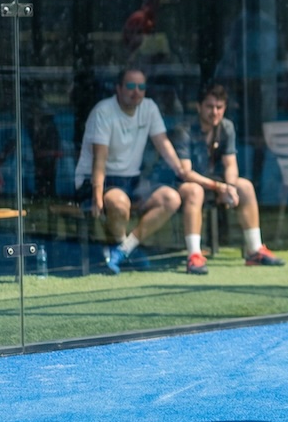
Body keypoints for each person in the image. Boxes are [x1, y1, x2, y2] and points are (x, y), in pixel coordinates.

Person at [73, 68, 198, 274]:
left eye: (141, 87)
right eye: (131, 86)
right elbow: (100, 158)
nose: (136, 92)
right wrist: (96, 195)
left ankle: (124, 250)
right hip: (95, 179)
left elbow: (163, 144)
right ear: (118, 89)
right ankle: (124, 249)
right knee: (119, 203)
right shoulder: (103, 112)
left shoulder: (149, 108)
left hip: (131, 180)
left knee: (171, 199)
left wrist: (180, 170)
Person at [171, 84, 286, 270]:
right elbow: (185, 172)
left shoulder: (226, 127)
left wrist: (230, 187)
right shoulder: (183, 130)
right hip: (185, 185)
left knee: (245, 187)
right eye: (209, 107)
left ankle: (255, 250)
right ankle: (194, 256)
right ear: (199, 107)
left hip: (216, 183)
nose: (214, 112)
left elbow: (231, 164)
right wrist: (219, 187)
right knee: (195, 191)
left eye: (219, 107)